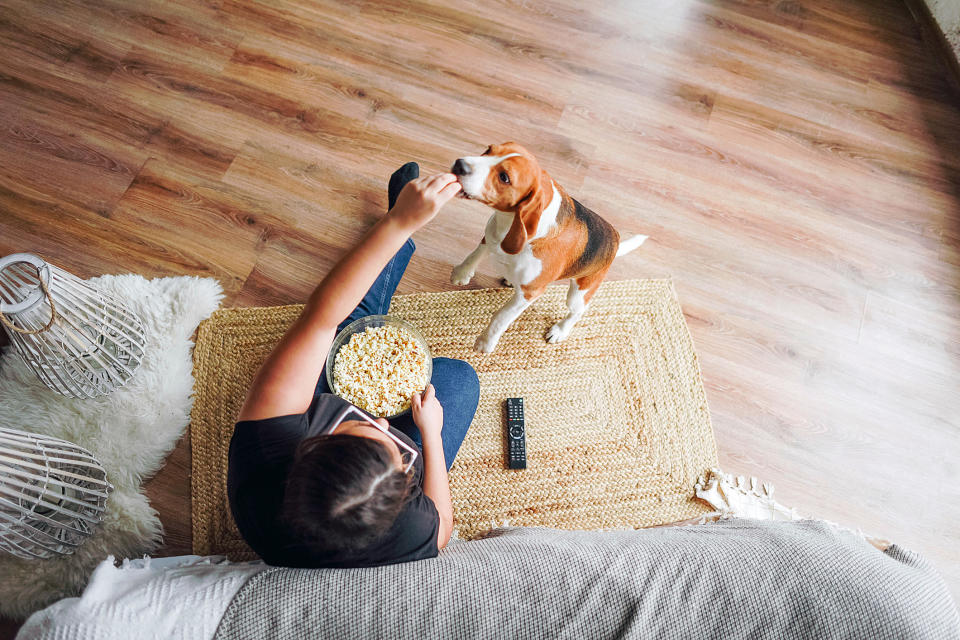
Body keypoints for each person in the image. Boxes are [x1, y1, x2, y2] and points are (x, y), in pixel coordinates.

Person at [227, 163, 478, 568]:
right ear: (401, 495)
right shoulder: (407, 527)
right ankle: (395, 241)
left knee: (345, 324)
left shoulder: (265, 445)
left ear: (311, 444)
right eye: (399, 455)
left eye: (365, 426)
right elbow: (443, 529)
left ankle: (398, 235)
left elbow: (321, 316)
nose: (381, 421)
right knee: (459, 380)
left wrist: (400, 223)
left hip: (302, 424)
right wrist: (430, 435)